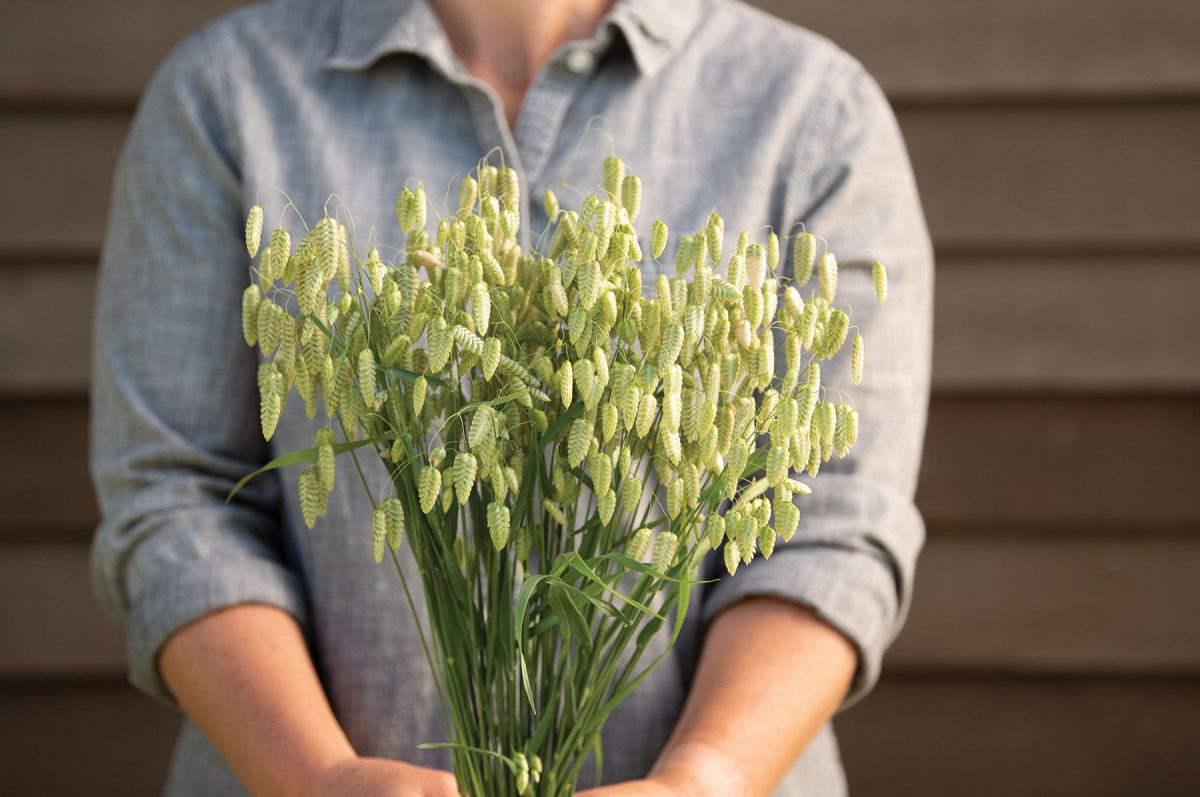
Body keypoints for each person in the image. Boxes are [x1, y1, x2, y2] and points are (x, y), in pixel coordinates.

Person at [90, 0, 932, 794]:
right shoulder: (229, 93)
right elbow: (176, 496)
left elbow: (831, 522)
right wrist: (316, 778)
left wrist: (705, 779)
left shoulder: (814, 114)